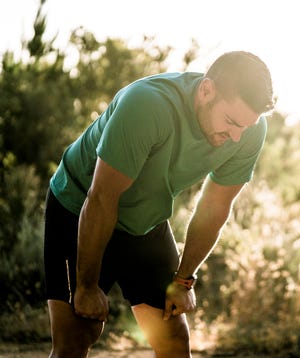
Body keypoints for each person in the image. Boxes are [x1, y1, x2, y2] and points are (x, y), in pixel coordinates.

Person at [44, 50, 275, 358]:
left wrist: (183, 281)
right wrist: (85, 287)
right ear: (207, 90)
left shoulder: (248, 131)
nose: (236, 137)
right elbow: (101, 198)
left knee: (174, 341)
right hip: (79, 207)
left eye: (244, 126)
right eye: (231, 121)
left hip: (145, 219)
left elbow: (215, 208)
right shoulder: (146, 105)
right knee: (76, 338)